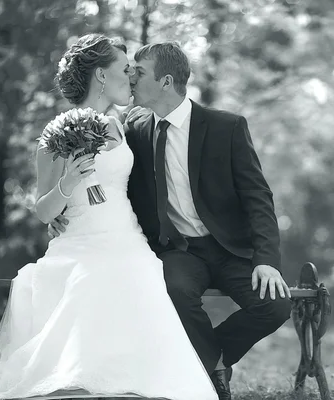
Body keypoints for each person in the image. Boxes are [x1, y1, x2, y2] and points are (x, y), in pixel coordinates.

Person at [0, 34, 218, 400]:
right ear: (102, 76)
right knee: (90, 279)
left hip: (129, 238)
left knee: (138, 273)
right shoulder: (58, 132)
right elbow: (44, 210)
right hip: (79, 241)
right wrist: (68, 183)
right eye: (126, 69)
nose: (132, 78)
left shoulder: (128, 124)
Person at [50, 41, 292, 400]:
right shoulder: (130, 129)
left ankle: (213, 360)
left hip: (230, 247)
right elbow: (100, 180)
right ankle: (212, 375)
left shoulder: (227, 127)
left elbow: (258, 198)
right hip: (178, 250)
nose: (131, 77)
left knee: (275, 305)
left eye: (140, 72)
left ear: (165, 81)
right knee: (174, 291)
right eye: (129, 70)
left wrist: (267, 262)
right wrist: (62, 214)